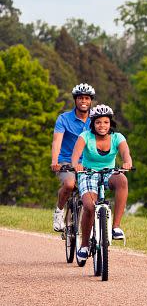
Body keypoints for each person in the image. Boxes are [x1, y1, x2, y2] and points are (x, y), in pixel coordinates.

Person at [71, 104, 133, 264]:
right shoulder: (85, 136)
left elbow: (125, 152)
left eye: (105, 122)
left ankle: (116, 227)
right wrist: (76, 165)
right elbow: (76, 154)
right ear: (93, 123)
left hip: (108, 173)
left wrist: (127, 162)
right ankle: (84, 246)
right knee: (90, 207)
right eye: (98, 122)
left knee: (122, 180)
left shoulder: (118, 137)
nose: (102, 126)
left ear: (110, 123)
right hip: (88, 173)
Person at [50, 83, 95, 232]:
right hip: (66, 161)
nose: (84, 101)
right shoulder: (64, 119)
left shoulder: (95, 120)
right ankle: (59, 212)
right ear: (75, 100)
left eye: (87, 98)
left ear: (91, 101)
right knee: (69, 184)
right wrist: (55, 161)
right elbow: (57, 141)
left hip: (88, 162)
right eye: (80, 98)